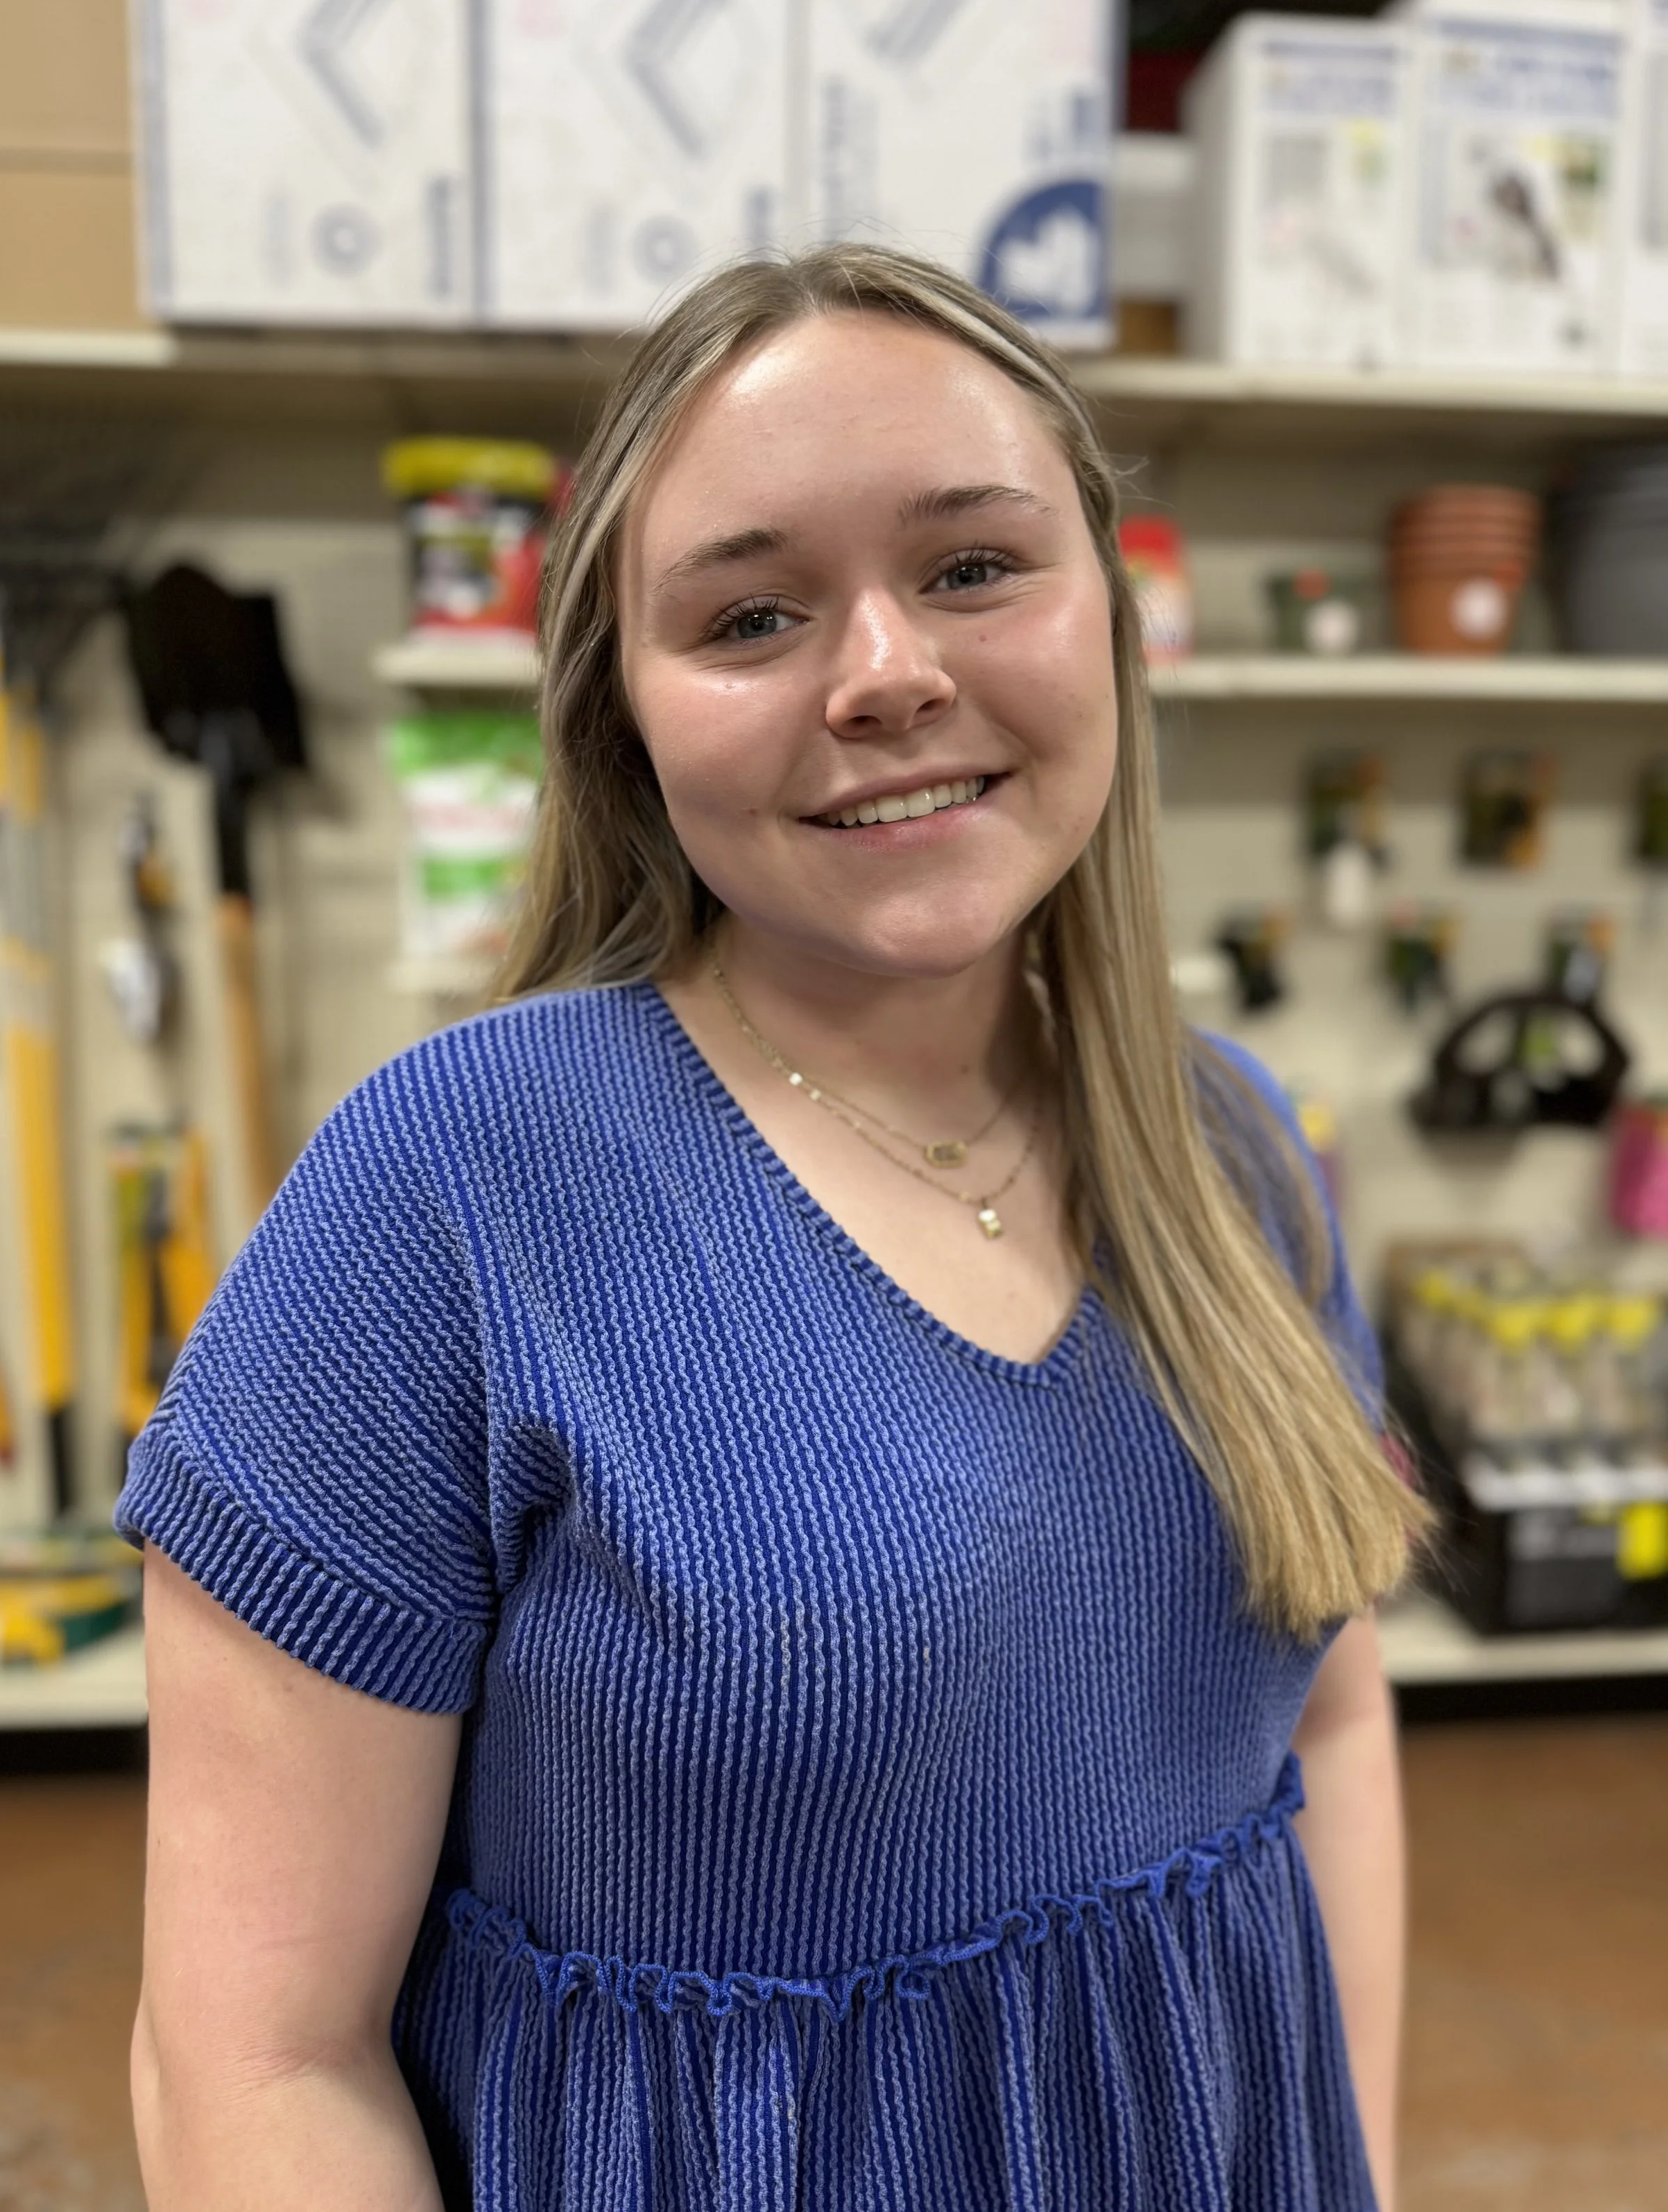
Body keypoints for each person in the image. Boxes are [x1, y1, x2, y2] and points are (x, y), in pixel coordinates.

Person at [121, 245, 1428, 2212]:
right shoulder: (447, 1198)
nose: (887, 669)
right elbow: (254, 2055)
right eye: (749, 613)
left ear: (1108, 616)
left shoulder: (1229, 1143)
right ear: (624, 714)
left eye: (974, 565)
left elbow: (1323, 1705)